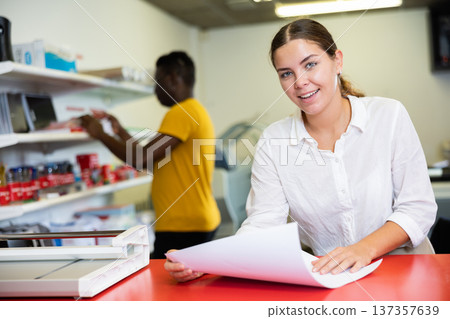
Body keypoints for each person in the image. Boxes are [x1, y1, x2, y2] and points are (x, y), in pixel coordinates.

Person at [164, 19, 437, 282]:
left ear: (337, 61)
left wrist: (363, 249)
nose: (300, 82)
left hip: (405, 271)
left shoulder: (388, 116)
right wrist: (204, 261)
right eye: (286, 73)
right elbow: (262, 225)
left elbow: (417, 209)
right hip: (332, 279)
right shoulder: (274, 141)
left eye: (310, 64)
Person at [80, 51, 221, 259]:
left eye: (158, 82)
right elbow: (149, 158)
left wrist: (99, 134)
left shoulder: (181, 112)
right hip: (196, 221)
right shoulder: (195, 110)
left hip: (183, 227)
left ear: (172, 78)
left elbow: (139, 159)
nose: (155, 90)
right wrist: (119, 131)